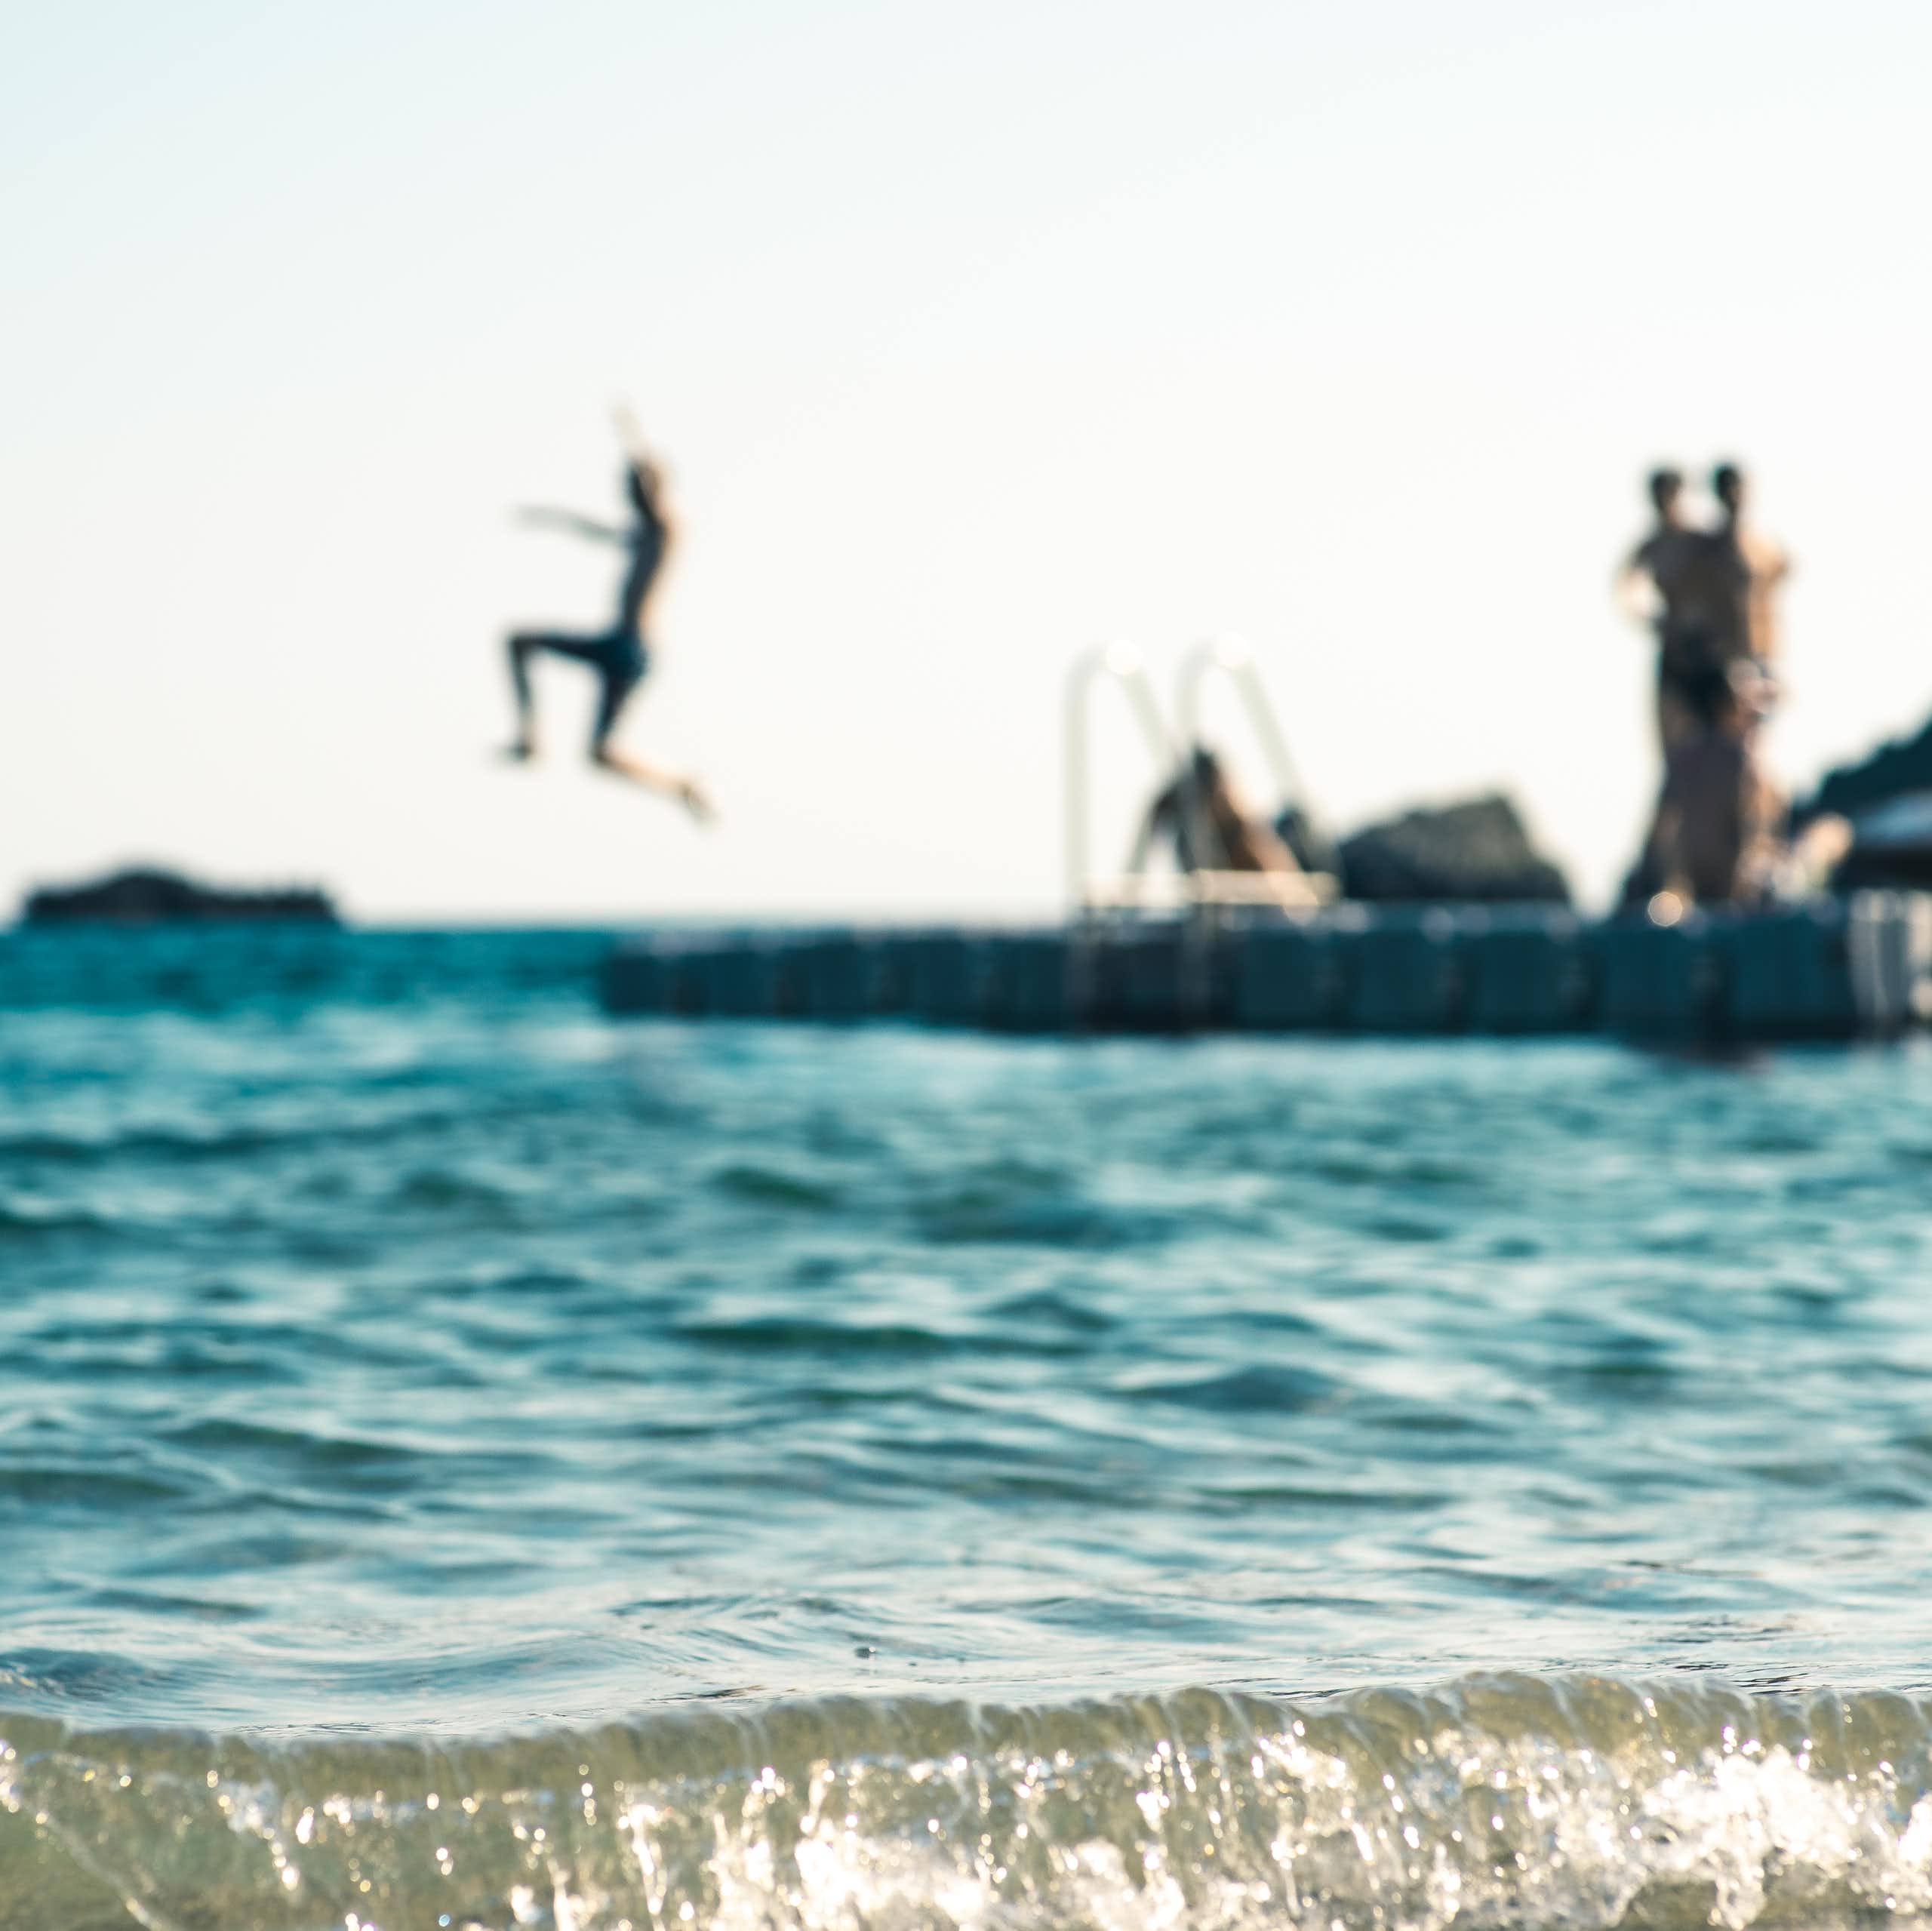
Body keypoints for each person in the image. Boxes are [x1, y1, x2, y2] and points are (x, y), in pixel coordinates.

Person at [502, 439, 711, 816]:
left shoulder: (667, 530)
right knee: (520, 645)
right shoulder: (639, 534)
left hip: (632, 649)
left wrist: (647, 474)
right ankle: (529, 740)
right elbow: (596, 530)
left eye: (635, 488)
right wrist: (550, 517)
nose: (630, 495)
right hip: (615, 644)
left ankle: (681, 783)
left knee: (601, 751)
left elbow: (656, 501)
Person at [1617, 466, 1724, 755]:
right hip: (1674, 649)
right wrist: (1652, 618)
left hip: (1708, 649)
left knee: (1720, 732)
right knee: (1672, 737)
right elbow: (1625, 588)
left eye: (1669, 495)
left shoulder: (1701, 541)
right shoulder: (1651, 546)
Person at [1132, 746, 1305, 877]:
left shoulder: (1243, 831)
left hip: (1257, 906)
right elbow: (1156, 816)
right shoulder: (1188, 812)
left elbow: (1282, 887)